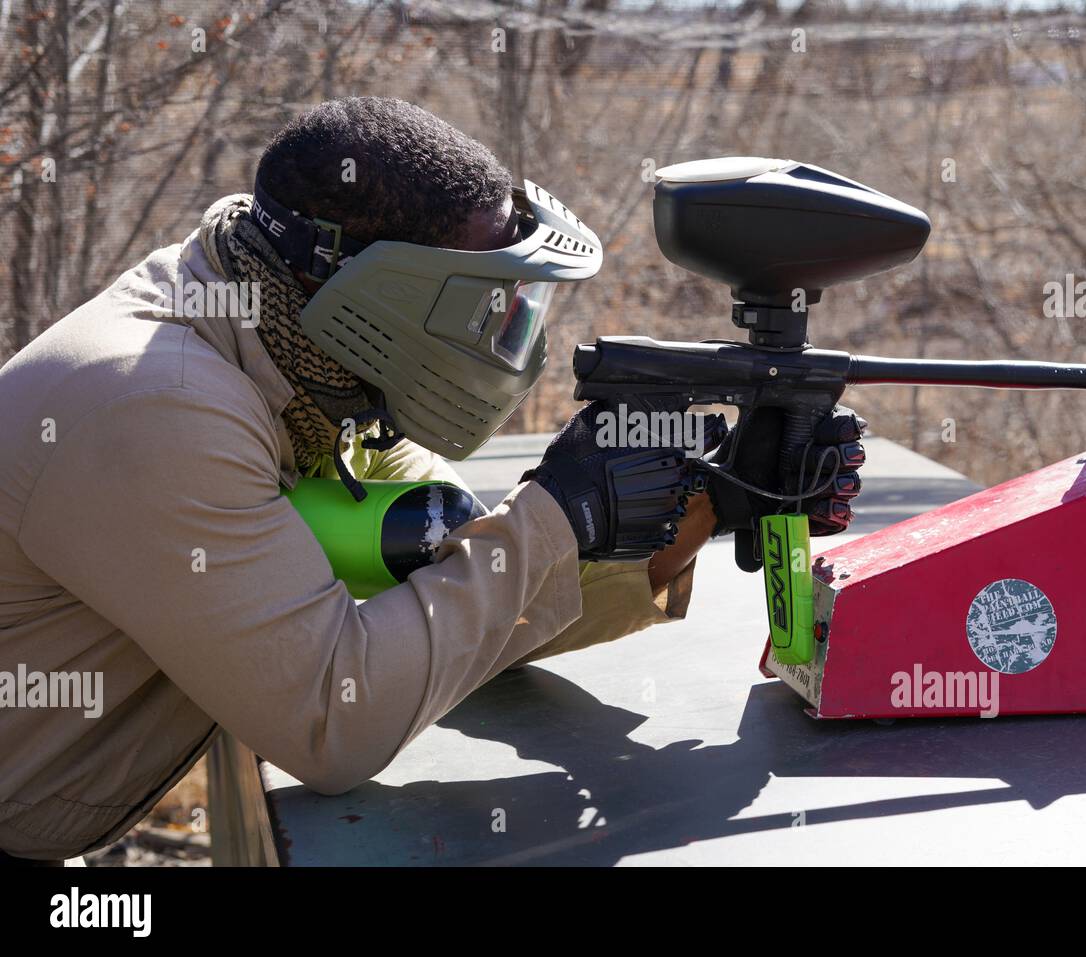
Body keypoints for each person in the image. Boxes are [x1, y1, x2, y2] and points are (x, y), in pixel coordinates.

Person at [0, 97, 863, 862]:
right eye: (484, 303)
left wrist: (701, 505)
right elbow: (334, 720)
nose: (506, 338)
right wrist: (558, 513)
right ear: (376, 298)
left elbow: (462, 604)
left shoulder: (293, 353)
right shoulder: (160, 408)